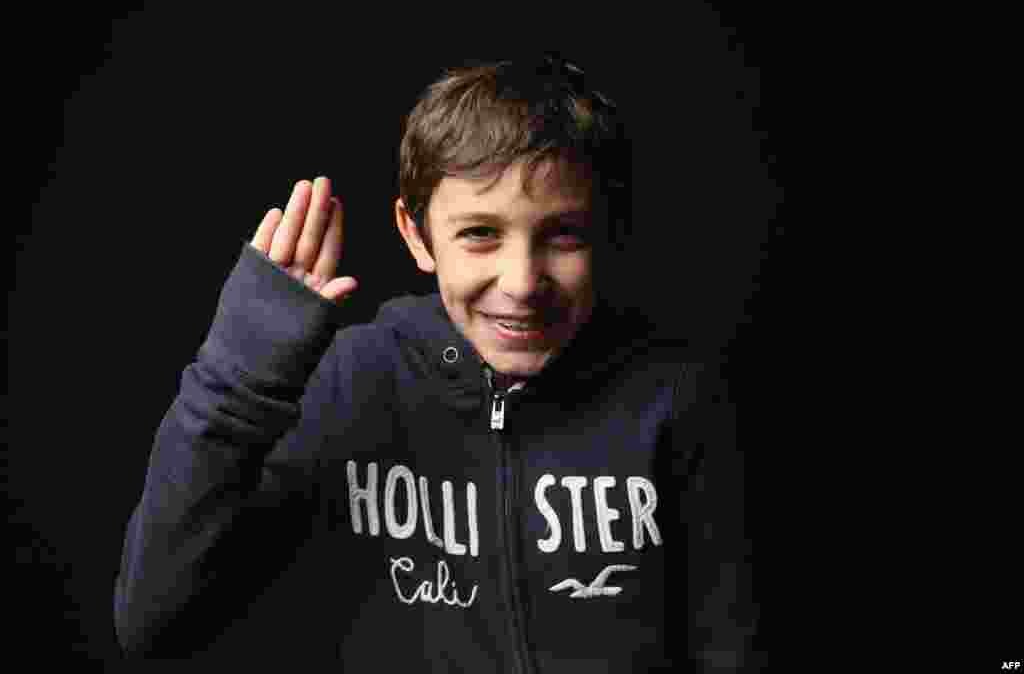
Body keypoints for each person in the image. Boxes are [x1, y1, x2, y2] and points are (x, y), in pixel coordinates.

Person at [114, 52, 759, 670]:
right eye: (480, 233)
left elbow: (732, 644)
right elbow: (156, 622)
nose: (521, 282)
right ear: (416, 235)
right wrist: (238, 379)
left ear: (605, 230)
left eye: (563, 234)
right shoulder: (353, 381)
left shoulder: (674, 393)